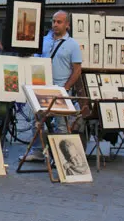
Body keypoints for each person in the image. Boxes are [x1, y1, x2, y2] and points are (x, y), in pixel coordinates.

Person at [23, 10, 82, 162]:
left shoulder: (73, 45)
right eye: (54, 21)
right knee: (37, 122)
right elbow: (35, 63)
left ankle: (62, 157)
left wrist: (66, 88)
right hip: (41, 89)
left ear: (67, 25)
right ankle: (37, 151)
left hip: (60, 90)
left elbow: (77, 71)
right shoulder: (43, 41)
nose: (55, 24)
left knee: (61, 124)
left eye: (59, 22)